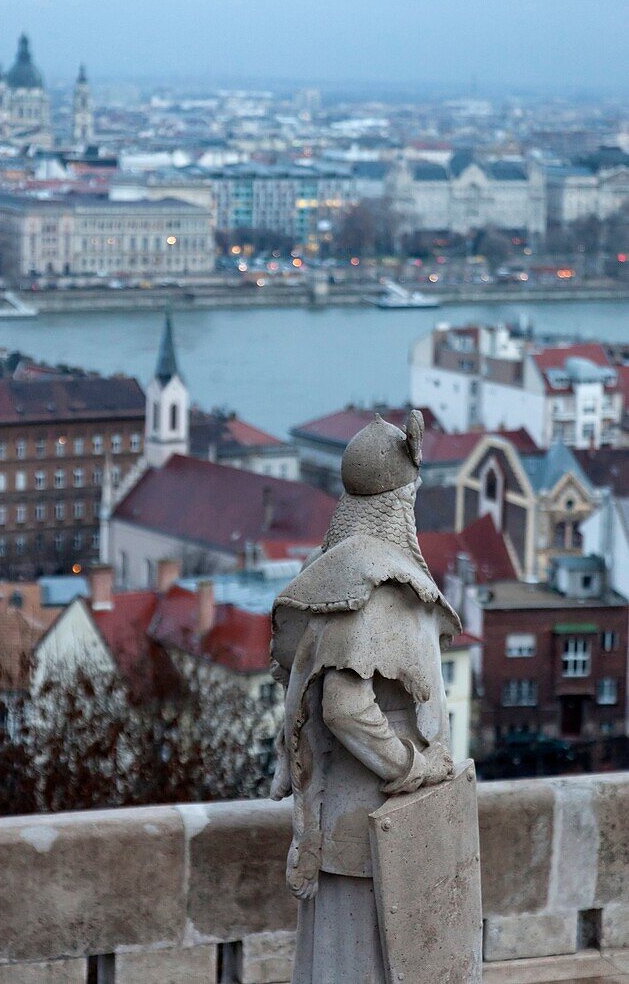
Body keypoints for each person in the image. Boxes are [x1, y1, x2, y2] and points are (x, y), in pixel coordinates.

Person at [270, 411, 461, 984]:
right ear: (401, 502)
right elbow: (344, 706)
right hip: (372, 827)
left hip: (351, 823)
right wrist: (415, 766)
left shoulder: (330, 573)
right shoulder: (375, 586)